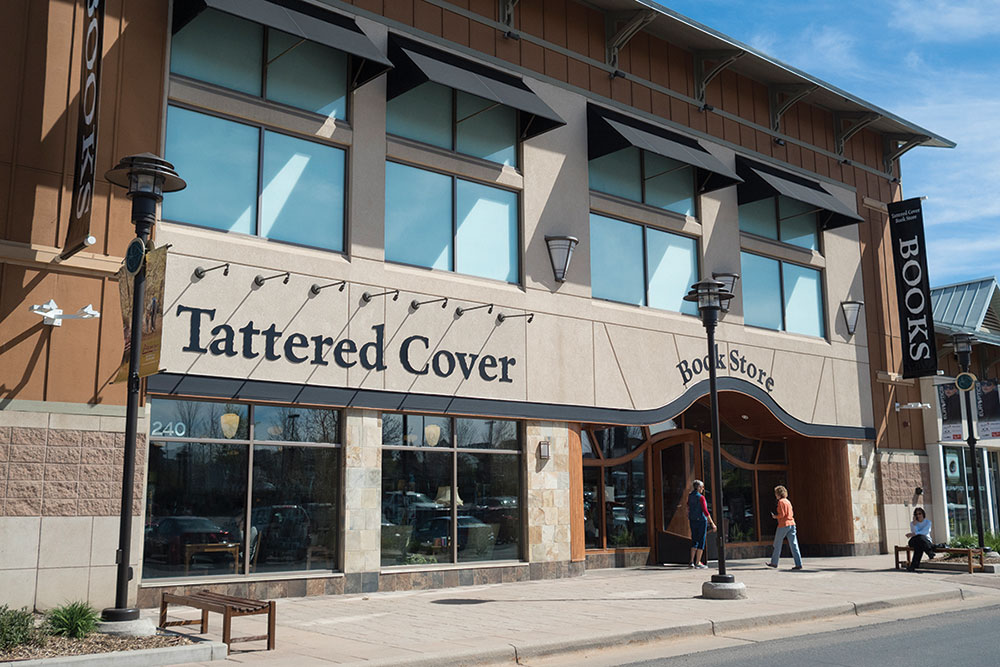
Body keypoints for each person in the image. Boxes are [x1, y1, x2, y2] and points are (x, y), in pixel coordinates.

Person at [765, 485, 803, 570]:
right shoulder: (787, 501)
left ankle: (774, 562)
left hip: (783, 524)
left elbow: (782, 515)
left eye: (776, 493)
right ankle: (798, 563)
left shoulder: (781, 502)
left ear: (778, 494)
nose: (775, 495)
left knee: (777, 544)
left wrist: (775, 516)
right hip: (792, 524)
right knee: (794, 544)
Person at [688, 480, 716, 569]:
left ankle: (691, 561)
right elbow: (705, 511)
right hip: (701, 520)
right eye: (702, 487)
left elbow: (687, 507)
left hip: (692, 520)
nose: (703, 489)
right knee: (701, 540)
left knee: (694, 539)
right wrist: (712, 523)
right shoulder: (701, 497)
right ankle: (698, 562)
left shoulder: (690, 496)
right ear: (699, 487)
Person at [905, 507, 935, 571]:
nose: (918, 515)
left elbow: (925, 532)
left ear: (923, 514)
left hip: (925, 540)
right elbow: (915, 533)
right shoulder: (912, 523)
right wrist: (914, 524)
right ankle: (929, 552)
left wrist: (913, 534)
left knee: (919, 545)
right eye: (916, 514)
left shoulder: (928, 522)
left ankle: (913, 566)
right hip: (914, 541)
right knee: (919, 538)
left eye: (919, 514)